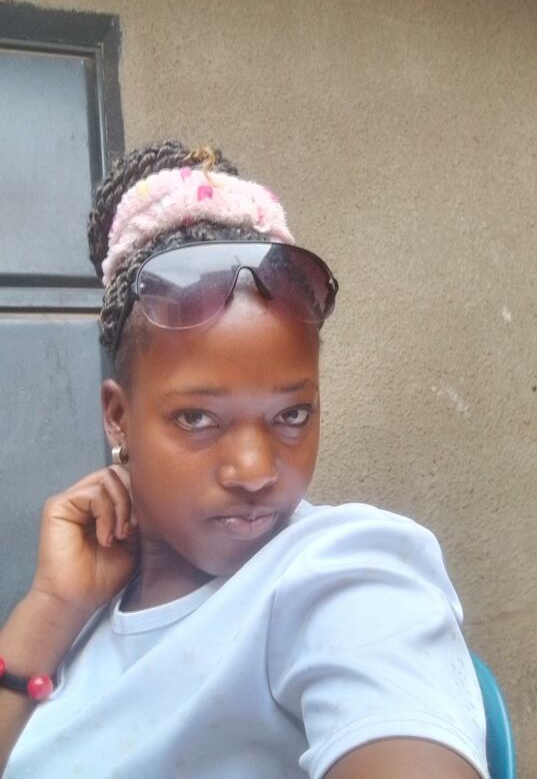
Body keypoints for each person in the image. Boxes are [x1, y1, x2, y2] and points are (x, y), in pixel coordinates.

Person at [0, 141, 488, 779]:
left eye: (292, 414)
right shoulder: (83, 615)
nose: (256, 472)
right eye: (197, 418)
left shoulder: (340, 569)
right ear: (118, 416)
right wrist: (49, 609)